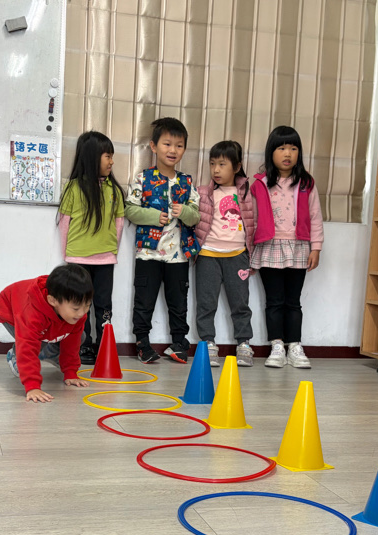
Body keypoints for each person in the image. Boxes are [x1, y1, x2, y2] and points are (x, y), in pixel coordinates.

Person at [125, 117, 201, 364]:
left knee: (179, 302)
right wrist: (153, 216)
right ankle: (142, 344)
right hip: (148, 253)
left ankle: (179, 344)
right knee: (144, 300)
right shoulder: (143, 178)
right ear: (154, 146)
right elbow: (130, 210)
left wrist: (185, 212)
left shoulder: (186, 182)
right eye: (167, 144)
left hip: (178, 256)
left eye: (179, 145)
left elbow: (195, 216)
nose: (173, 150)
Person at [249, 126, 324, 369]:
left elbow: (315, 216)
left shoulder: (306, 182)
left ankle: (295, 346)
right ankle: (277, 346)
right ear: (271, 152)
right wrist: (248, 250)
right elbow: (251, 219)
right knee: (274, 301)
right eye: (281, 148)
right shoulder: (259, 184)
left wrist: (316, 247)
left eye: (293, 148)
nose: (287, 153)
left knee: (293, 301)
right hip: (269, 246)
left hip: (299, 247)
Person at [58, 131, 125, 365]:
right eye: (108, 156)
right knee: (79, 305)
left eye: (112, 156)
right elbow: (64, 223)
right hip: (78, 259)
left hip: (105, 260)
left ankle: (104, 346)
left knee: (104, 305)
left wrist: (112, 251)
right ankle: (83, 345)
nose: (112, 161)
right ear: (92, 157)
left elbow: (119, 223)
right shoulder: (74, 188)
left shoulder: (114, 190)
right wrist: (68, 254)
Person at [194, 140, 256, 367]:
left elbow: (255, 223)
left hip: (237, 255)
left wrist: (253, 256)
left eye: (222, 164)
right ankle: (207, 344)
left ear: (237, 167)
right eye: (212, 164)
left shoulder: (248, 194)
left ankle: (244, 344)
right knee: (206, 303)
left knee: (240, 303)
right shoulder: (203, 193)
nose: (216, 170)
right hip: (208, 255)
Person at [0, 264, 92, 403]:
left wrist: (70, 372)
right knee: (37, 341)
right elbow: (27, 344)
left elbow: (72, 343)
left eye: (87, 306)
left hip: (42, 316)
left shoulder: (78, 313)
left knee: (80, 336)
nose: (82, 313)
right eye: (75, 308)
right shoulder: (32, 314)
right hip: (9, 310)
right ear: (53, 300)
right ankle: (14, 355)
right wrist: (32, 386)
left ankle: (49, 353)